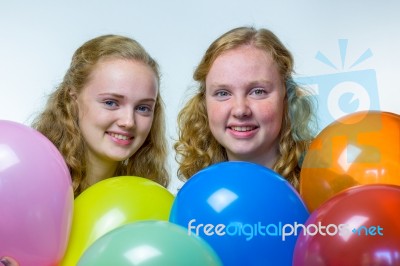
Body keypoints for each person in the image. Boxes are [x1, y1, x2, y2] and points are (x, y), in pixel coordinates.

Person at [174, 26, 316, 189]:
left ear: (286, 97)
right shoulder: (195, 195)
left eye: (258, 91)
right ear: (204, 102)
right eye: (222, 93)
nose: (240, 110)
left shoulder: (320, 189)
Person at [31, 34, 169, 197]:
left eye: (143, 108)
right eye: (111, 103)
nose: (128, 121)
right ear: (73, 99)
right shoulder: (31, 179)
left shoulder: (147, 196)